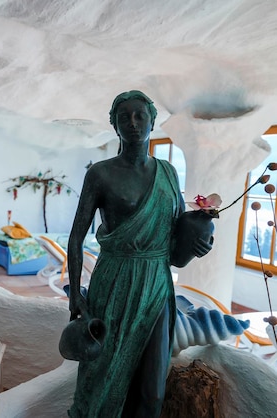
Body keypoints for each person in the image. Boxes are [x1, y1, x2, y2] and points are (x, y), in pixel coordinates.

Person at [65, 90, 212, 417]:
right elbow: (76, 237)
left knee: (152, 389)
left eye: (139, 116)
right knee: (102, 377)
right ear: (114, 125)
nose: (132, 123)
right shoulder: (100, 174)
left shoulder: (169, 173)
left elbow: (173, 249)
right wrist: (75, 293)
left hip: (157, 285)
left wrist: (196, 242)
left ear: (152, 121)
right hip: (114, 283)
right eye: (124, 117)